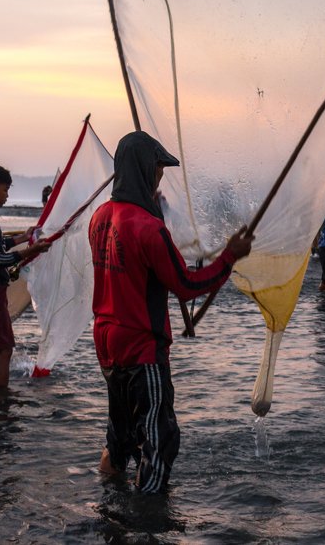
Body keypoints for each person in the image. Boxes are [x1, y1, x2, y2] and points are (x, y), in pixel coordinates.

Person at [89, 131, 253, 493]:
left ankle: (106, 506)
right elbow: (187, 285)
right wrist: (229, 256)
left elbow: (138, 273)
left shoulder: (100, 217)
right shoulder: (149, 227)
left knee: (120, 439)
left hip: (107, 345)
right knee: (158, 443)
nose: (160, 178)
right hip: (141, 349)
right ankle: (147, 516)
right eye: (158, 170)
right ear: (144, 170)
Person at [0, 162, 50, 387]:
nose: (7, 195)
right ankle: (0, 401)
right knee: (4, 350)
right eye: (5, 190)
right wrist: (30, 250)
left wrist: (23, 238)